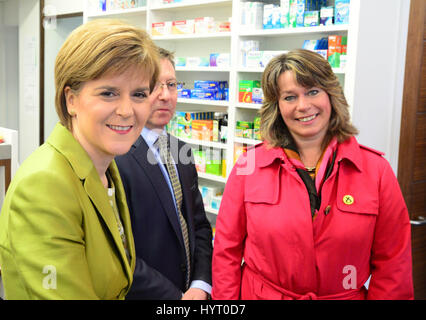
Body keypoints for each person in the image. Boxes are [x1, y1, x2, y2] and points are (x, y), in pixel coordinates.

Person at [211, 49, 414, 300]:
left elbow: (393, 263)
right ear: (277, 106)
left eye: (313, 91)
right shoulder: (248, 165)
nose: (303, 106)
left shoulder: (375, 171)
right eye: (289, 97)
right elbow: (226, 252)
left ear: (331, 95)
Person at [0, 19, 160, 299]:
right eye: (108, 93)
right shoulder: (45, 186)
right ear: (71, 99)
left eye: (139, 94)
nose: (126, 110)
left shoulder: (106, 169)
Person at [115, 48, 213, 300]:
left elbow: (200, 226)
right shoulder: (116, 157)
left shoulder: (182, 151)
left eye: (171, 84)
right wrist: (175, 297)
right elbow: (120, 251)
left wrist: (201, 284)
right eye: (153, 86)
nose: (165, 95)